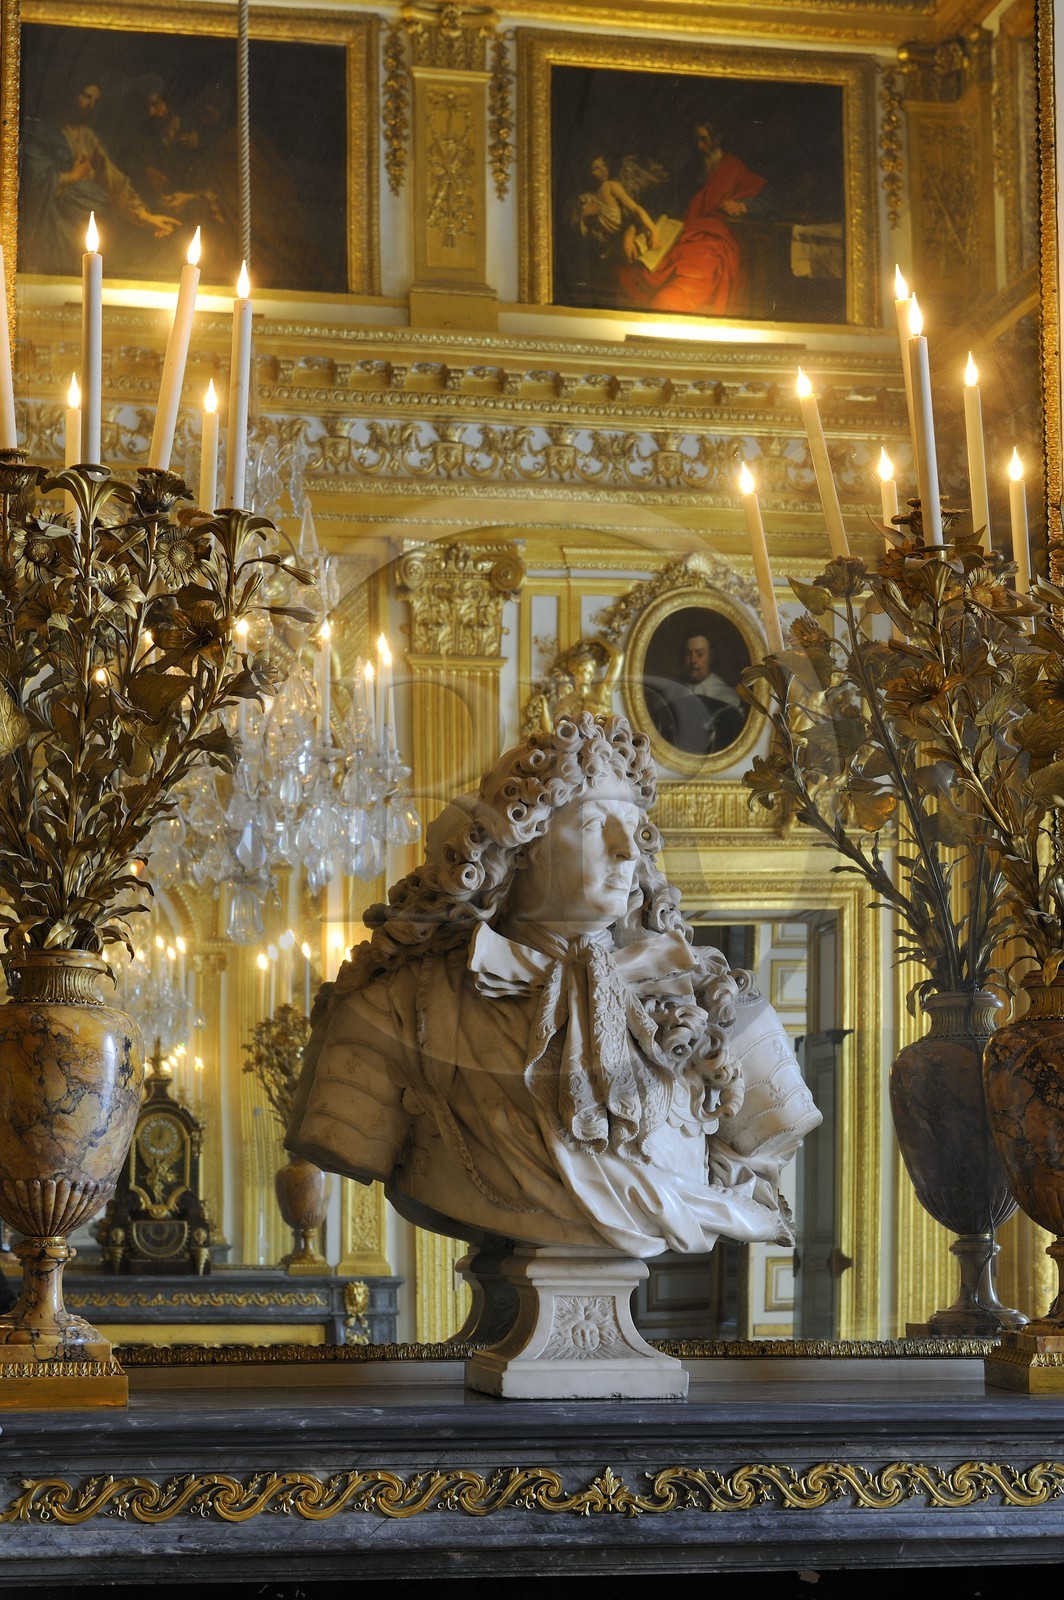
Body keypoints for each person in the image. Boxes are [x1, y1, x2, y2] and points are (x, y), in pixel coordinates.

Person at [286, 713, 820, 1259]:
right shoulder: (395, 1009)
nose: (626, 849)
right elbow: (348, 1138)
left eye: (631, 826)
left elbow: (762, 1141)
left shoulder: (716, 1006)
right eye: (593, 826)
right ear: (523, 849)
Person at [19, 80, 180, 275]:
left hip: (85, 222)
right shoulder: (43, 134)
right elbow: (30, 178)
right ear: (70, 94)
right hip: (55, 224)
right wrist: (71, 177)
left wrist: (144, 215)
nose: (90, 105)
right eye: (86, 96)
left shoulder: (87, 136)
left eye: (95, 100)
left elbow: (113, 178)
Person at [618, 120, 772, 316]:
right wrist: (631, 232)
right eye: (695, 141)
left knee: (667, 301)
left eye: (703, 140)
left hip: (714, 244)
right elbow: (660, 199)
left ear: (717, 139)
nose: (699, 146)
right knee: (628, 275)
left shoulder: (736, 170)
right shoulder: (690, 172)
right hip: (680, 237)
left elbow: (769, 200)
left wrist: (743, 206)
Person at [647, 632, 747, 755]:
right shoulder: (668, 693)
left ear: (710, 657)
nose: (694, 660)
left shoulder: (728, 696)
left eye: (700, 654)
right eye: (688, 654)